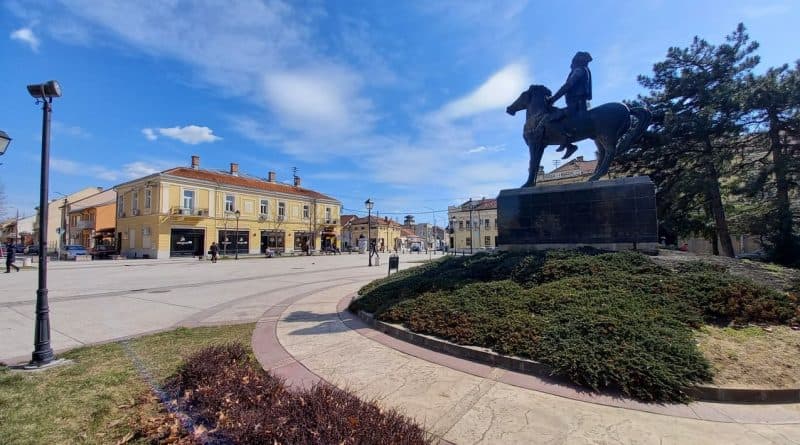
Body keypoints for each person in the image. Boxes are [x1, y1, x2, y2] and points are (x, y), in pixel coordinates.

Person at [547, 51, 593, 159]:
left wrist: (553, 99)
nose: (571, 64)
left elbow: (568, 86)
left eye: (573, 62)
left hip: (577, 104)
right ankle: (567, 143)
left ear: (577, 61)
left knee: (553, 117)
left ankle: (567, 142)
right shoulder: (582, 70)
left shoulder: (579, 71)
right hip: (578, 103)